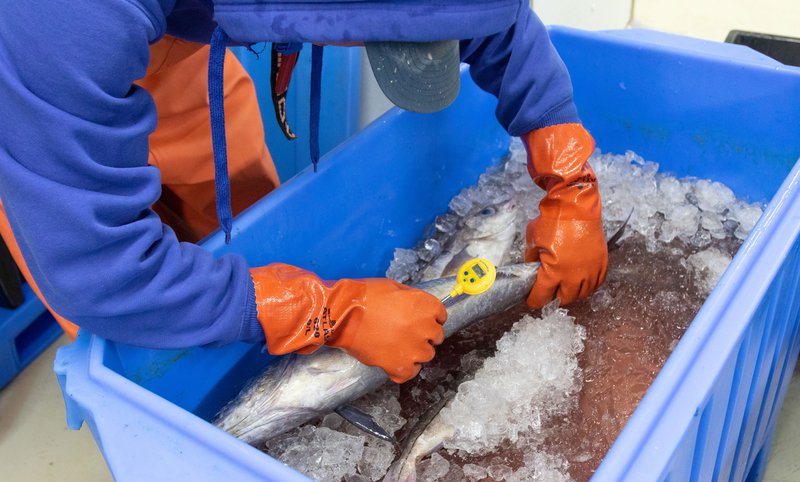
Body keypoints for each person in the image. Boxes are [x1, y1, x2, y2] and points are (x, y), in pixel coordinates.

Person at [0, 0, 607, 384]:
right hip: (31, 77)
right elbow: (100, 273)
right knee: (141, 333)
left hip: (169, 42)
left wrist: (570, 178)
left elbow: (485, 15)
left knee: (249, 234)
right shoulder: (64, 16)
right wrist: (328, 311)